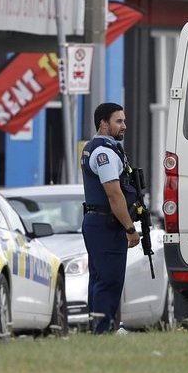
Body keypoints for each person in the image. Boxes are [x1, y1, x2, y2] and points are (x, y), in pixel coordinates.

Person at [81, 103, 139, 334]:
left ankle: (99, 328)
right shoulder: (103, 153)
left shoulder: (101, 148)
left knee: (100, 279)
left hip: (100, 222)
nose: (124, 126)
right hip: (106, 224)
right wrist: (130, 228)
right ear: (103, 124)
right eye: (118, 121)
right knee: (109, 280)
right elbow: (114, 194)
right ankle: (102, 331)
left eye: (124, 120)